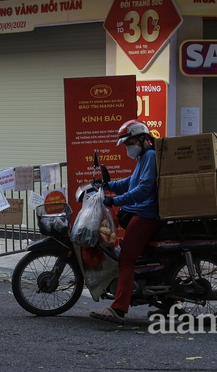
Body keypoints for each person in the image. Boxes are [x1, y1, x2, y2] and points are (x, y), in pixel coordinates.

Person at [89, 119, 159, 324]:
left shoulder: (151, 157)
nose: (128, 148)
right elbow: (131, 182)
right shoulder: (145, 158)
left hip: (145, 216)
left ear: (142, 139)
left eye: (129, 143)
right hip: (141, 213)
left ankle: (119, 308)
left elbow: (144, 189)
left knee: (126, 261)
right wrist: (108, 185)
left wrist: (115, 200)